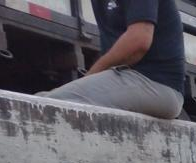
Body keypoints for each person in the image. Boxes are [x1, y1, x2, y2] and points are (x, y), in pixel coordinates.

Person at [41, 0, 184, 119]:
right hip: (135, 79)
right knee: (38, 98)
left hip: (156, 83)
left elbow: (139, 41)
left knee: (47, 105)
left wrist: (90, 76)